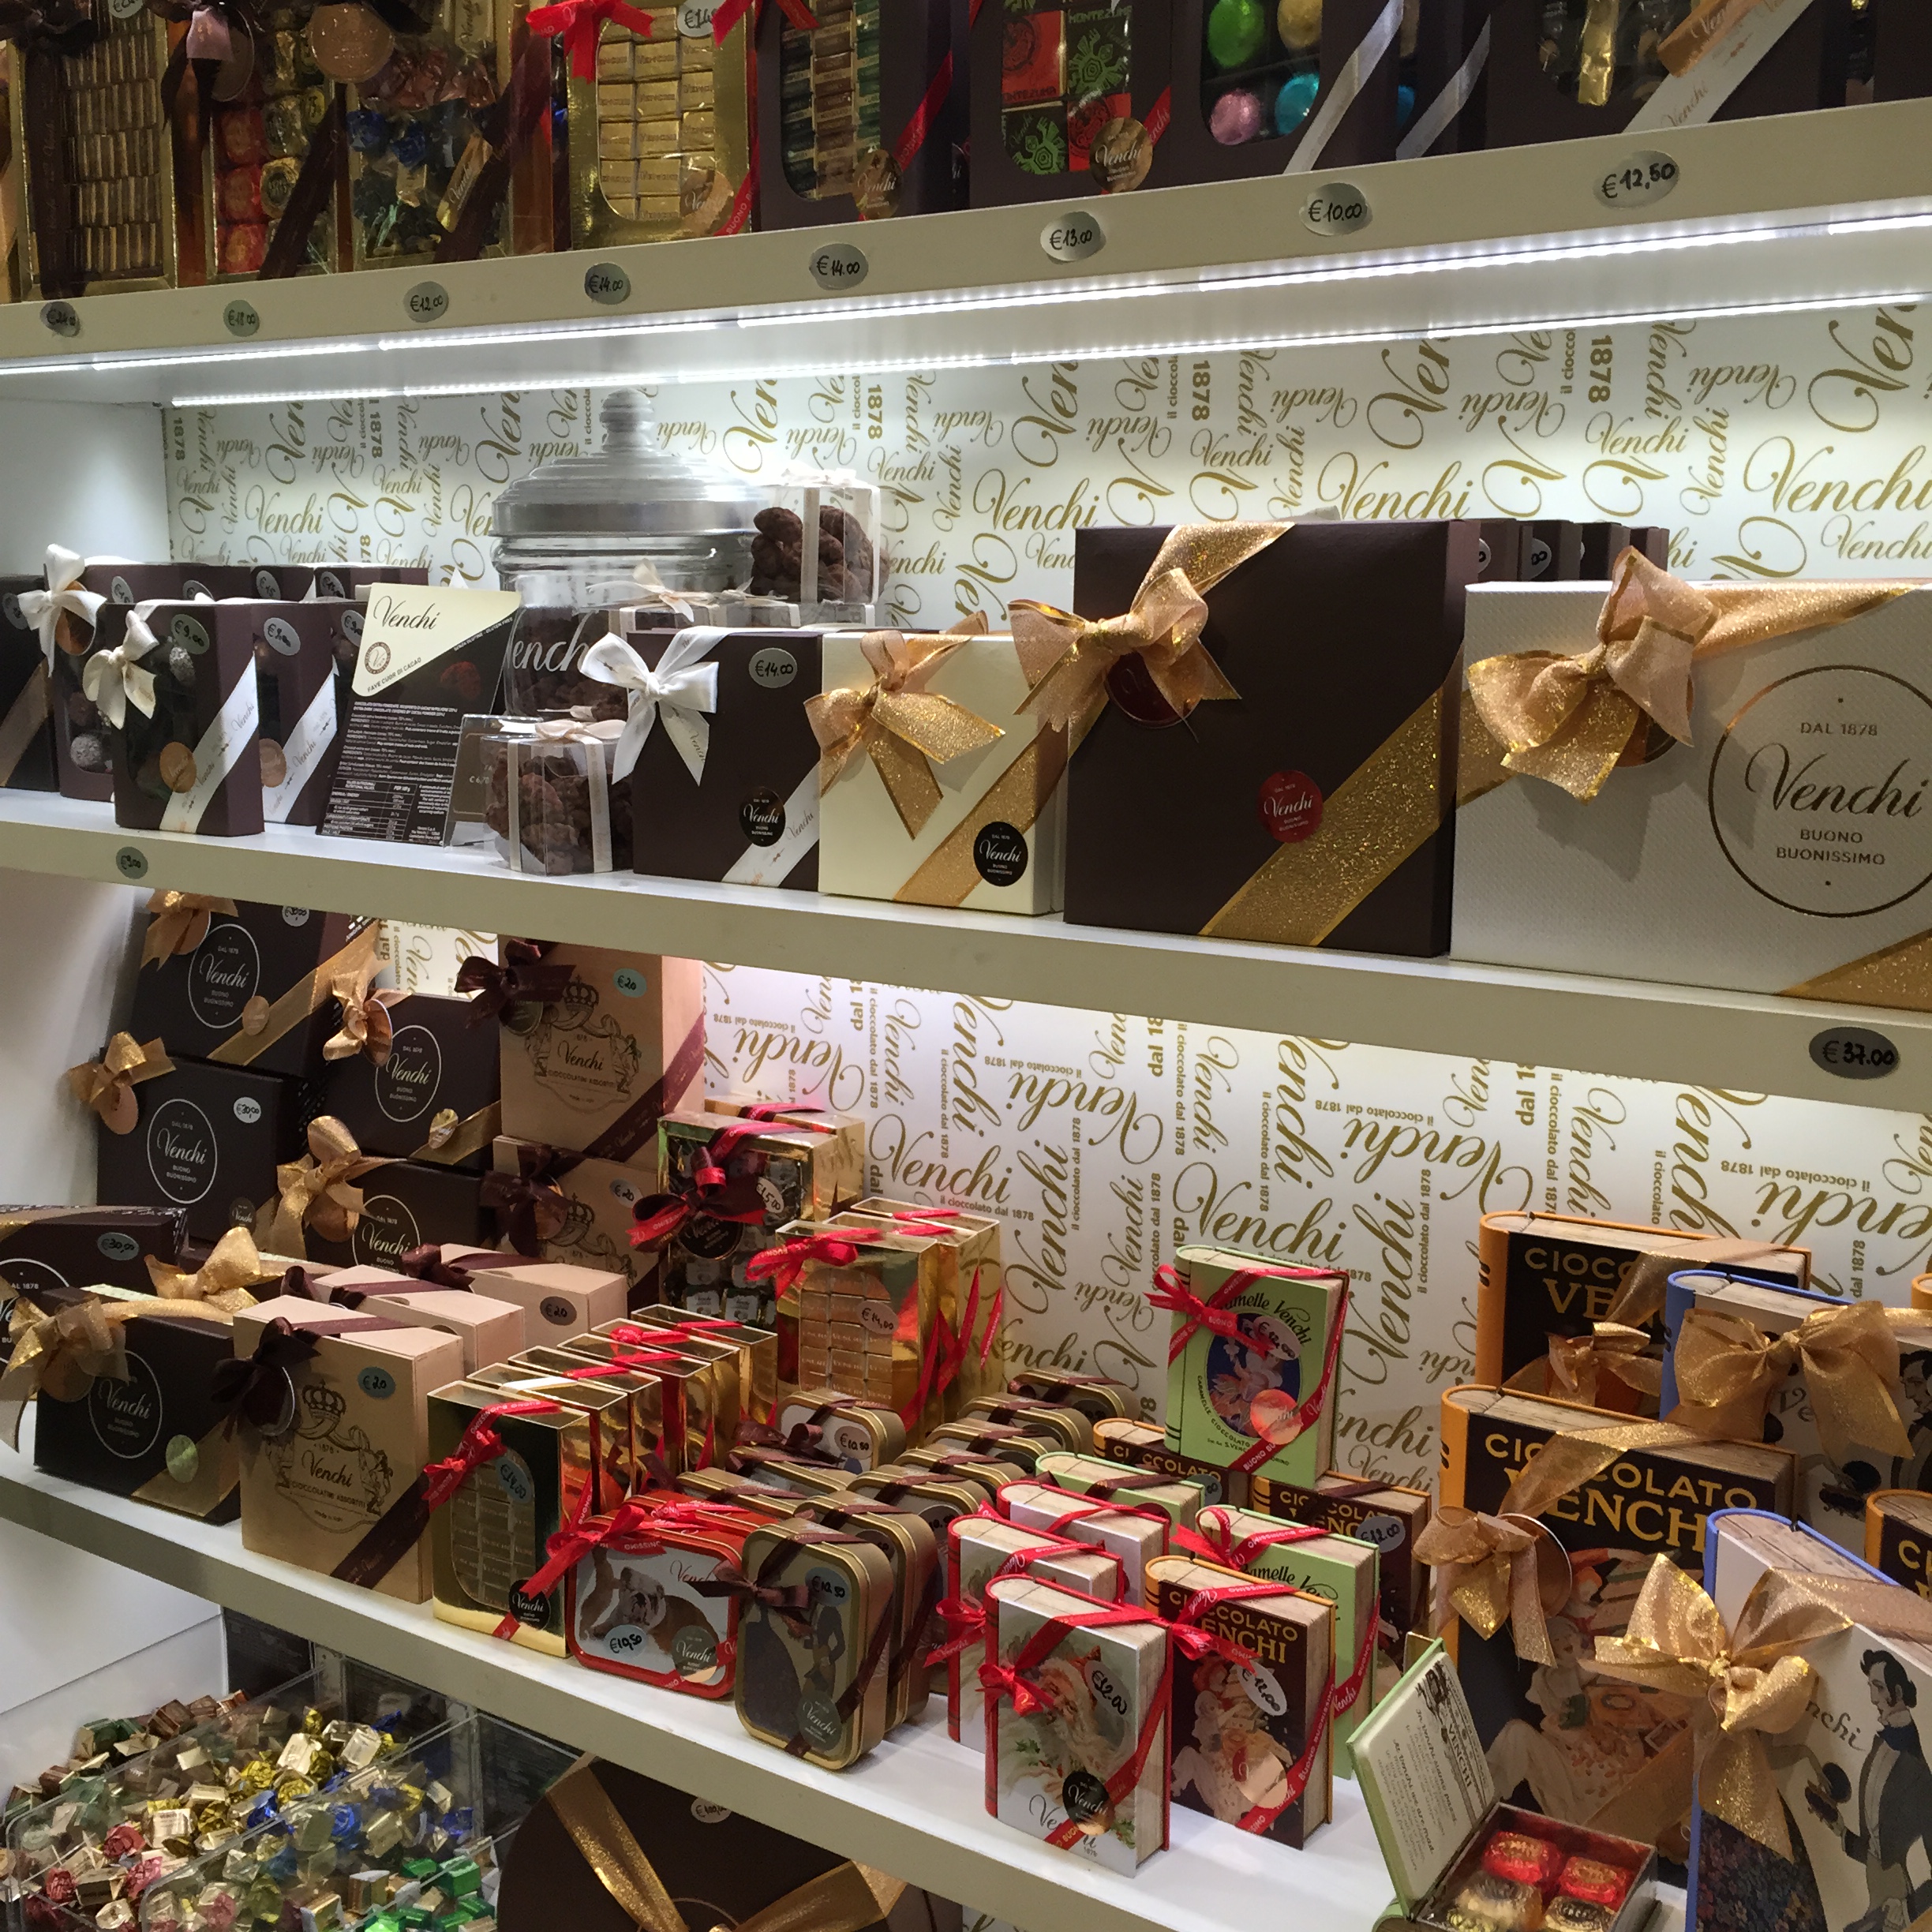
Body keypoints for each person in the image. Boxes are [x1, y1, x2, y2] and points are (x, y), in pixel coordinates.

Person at [1822, 1649, 1932, 1932]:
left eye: (1879, 1687)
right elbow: (1876, 1851)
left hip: (1894, 1913)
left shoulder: (1920, 1777)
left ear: (1898, 1692)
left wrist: (1909, 1911)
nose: (1872, 1698)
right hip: (1872, 1907)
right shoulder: (1878, 1748)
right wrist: (1841, 1832)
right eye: (1870, 1686)